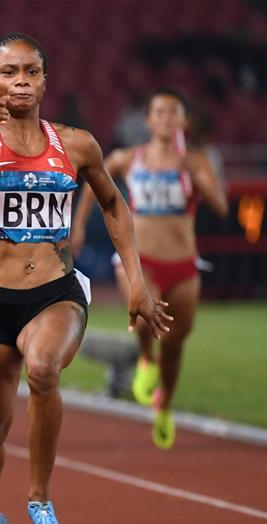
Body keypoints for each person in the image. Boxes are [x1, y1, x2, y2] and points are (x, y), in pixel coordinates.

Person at [0, 33, 171, 524]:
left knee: (43, 368)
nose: (20, 82)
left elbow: (114, 204)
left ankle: (39, 499)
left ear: (45, 81)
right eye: (9, 72)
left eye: (31, 72)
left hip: (55, 292)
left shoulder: (76, 144)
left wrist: (136, 282)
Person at [72, 88, 228, 449]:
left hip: (183, 264)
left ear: (184, 121)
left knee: (174, 345)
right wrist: (78, 225)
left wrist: (199, 177)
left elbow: (221, 206)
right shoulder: (128, 159)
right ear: (148, 120)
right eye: (159, 112)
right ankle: (144, 357)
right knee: (145, 318)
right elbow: (94, 184)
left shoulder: (196, 161)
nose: (165, 119)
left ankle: (165, 406)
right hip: (140, 262)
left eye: (173, 113)